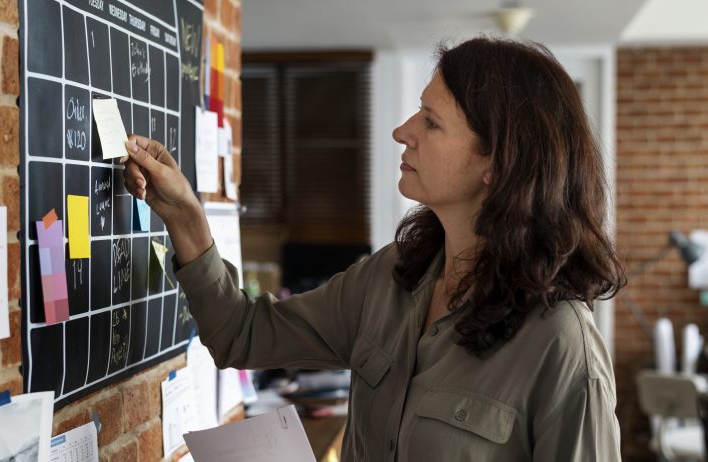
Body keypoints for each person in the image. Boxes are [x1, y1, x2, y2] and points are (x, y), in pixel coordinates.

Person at [122, 36, 624, 461]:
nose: (402, 132)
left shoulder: (562, 348)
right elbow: (242, 334)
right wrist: (185, 216)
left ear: (497, 162)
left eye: (431, 121)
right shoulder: (392, 277)